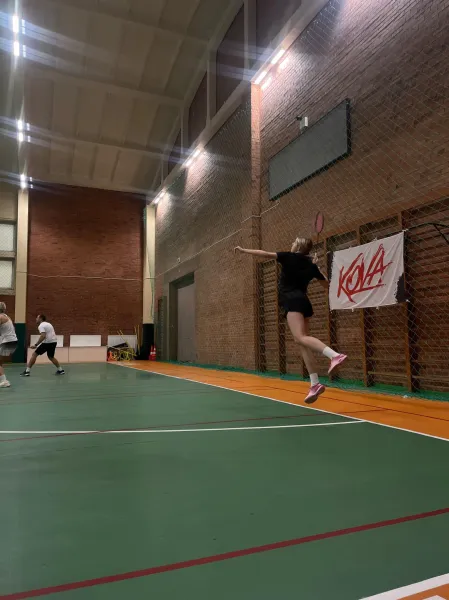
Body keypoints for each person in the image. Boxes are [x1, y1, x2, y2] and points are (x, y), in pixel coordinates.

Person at [235, 237, 347, 404]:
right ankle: (315, 383)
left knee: (300, 338)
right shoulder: (310, 265)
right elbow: (326, 285)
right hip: (304, 303)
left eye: (294, 242)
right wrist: (316, 267)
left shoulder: (288, 256)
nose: (292, 243)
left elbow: (264, 253)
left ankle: (334, 356)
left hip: (292, 301)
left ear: (298, 246)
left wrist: (244, 250)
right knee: (303, 342)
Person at [0, 302, 18, 389]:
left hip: (7, 342)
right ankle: (2, 378)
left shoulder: (0, 317)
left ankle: (4, 381)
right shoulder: (7, 316)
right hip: (12, 341)